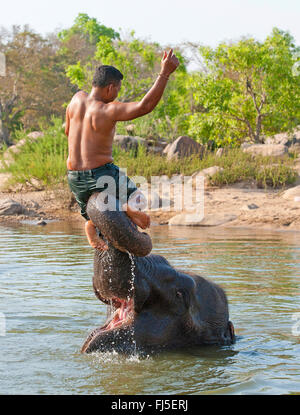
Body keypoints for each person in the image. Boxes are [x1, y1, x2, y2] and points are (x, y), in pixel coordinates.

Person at [65, 49, 179, 250]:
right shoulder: (109, 110)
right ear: (110, 88)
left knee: (98, 212)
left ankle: (91, 224)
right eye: (117, 89)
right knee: (139, 199)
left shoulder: (76, 99)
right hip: (100, 174)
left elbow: (67, 131)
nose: (117, 93)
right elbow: (145, 105)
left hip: (75, 178)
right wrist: (165, 73)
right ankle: (128, 209)